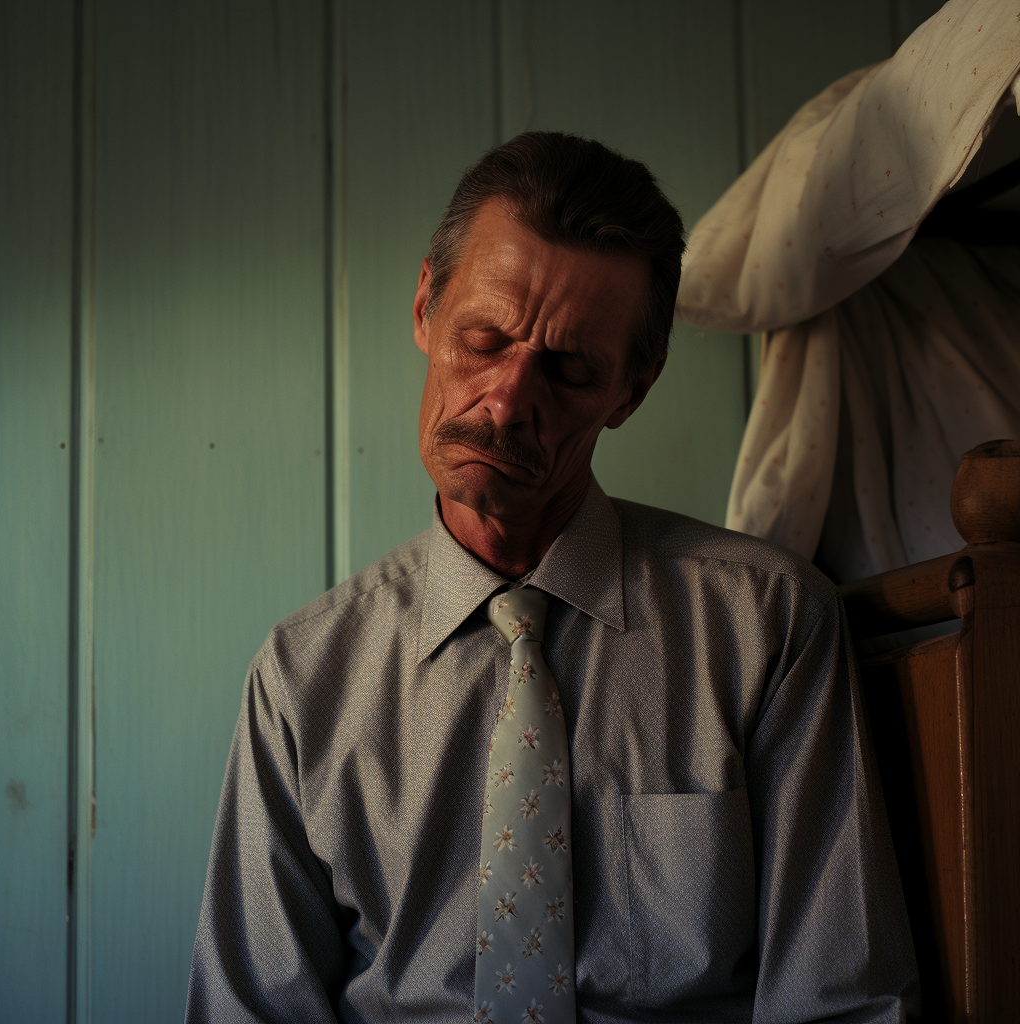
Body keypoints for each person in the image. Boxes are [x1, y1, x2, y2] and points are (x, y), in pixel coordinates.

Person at [185, 131, 919, 1023]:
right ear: (425, 306)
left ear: (633, 388)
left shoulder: (767, 626)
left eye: (569, 371)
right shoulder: (304, 680)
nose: (506, 402)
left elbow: (839, 1003)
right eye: (483, 339)